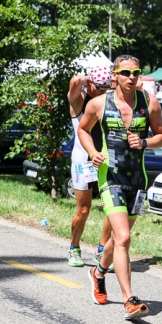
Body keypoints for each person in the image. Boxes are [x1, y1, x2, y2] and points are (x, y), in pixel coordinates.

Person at [78, 54, 162, 320]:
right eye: (126, 73)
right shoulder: (97, 104)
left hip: (138, 181)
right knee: (124, 238)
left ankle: (98, 273)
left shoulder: (149, 103)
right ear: (114, 75)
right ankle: (130, 300)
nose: (132, 78)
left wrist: (145, 143)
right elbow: (82, 130)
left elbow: (161, 136)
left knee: (118, 239)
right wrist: (93, 152)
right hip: (111, 178)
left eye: (136, 73)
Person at [66, 66, 114, 268]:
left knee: (112, 209)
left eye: (107, 88)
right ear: (90, 83)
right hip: (83, 160)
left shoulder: (108, 100)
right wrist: (88, 78)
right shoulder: (79, 100)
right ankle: (74, 248)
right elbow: (74, 82)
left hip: (105, 158)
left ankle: (102, 250)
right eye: (100, 87)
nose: (105, 92)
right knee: (84, 210)